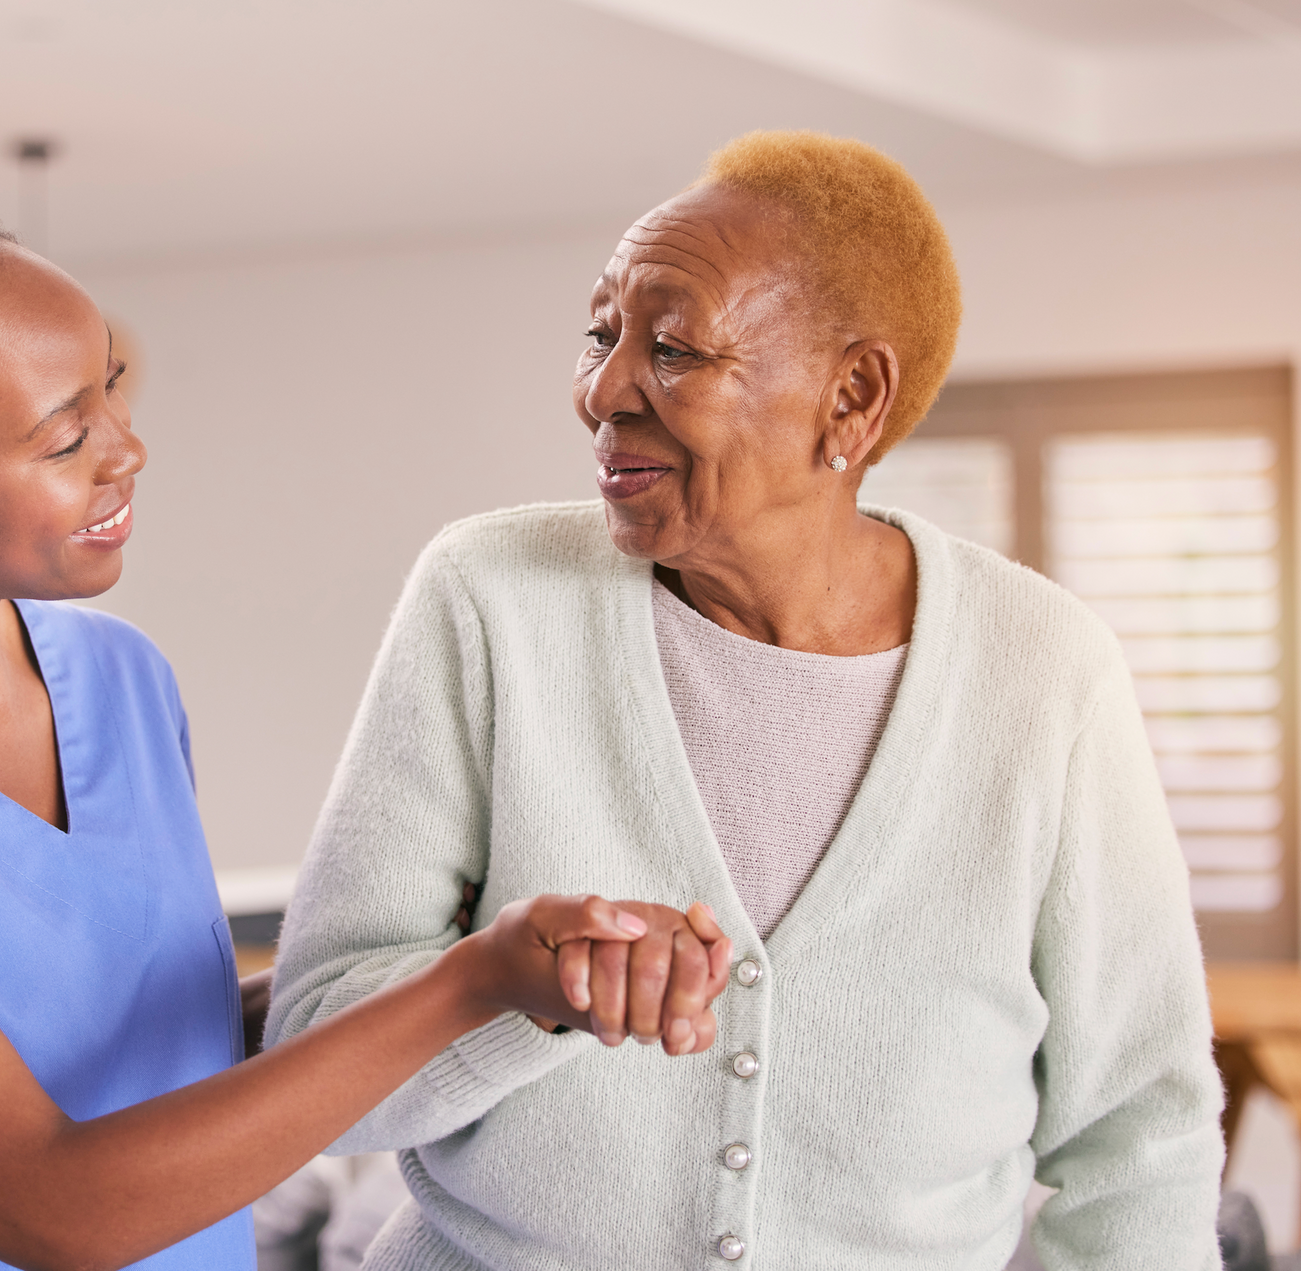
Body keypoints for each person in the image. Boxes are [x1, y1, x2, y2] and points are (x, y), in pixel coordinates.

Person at [0, 78, 733, 1271]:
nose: (129, 449)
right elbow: (49, 1203)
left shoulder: (118, 681)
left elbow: (152, 1051)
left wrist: (475, 962)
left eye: (113, 389)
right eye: (65, 434)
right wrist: (464, 986)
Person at [267, 131, 1225, 1269]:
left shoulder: (1047, 671)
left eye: (673, 348)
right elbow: (312, 1059)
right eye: (600, 333)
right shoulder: (492, 598)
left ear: (851, 397)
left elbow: (1141, 1140)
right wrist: (530, 994)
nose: (601, 390)